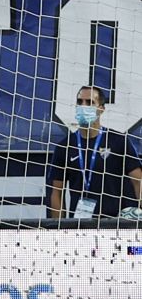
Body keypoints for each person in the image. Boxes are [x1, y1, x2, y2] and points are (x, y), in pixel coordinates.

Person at [48, 85, 142, 219]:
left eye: (90, 102)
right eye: (80, 102)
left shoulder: (119, 141)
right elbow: (57, 191)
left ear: (101, 109)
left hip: (116, 224)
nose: (83, 106)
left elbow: (138, 181)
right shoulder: (64, 147)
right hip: (80, 224)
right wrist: (58, 229)